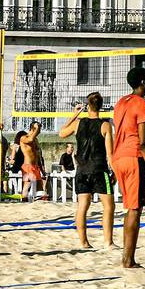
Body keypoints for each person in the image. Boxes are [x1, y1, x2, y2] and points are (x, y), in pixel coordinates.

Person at [112, 69, 145, 268]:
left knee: (131, 207)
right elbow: (144, 142)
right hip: (133, 157)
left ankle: (127, 258)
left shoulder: (121, 102)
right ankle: (128, 260)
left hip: (118, 157)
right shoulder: (142, 104)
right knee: (134, 209)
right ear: (141, 82)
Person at [60, 94, 115, 250]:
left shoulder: (78, 123)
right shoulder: (105, 126)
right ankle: (108, 242)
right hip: (99, 169)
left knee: (83, 206)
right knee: (109, 207)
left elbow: (61, 133)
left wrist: (75, 113)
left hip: (82, 170)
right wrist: (115, 173)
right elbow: (110, 154)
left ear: (87, 106)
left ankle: (84, 243)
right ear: (101, 106)